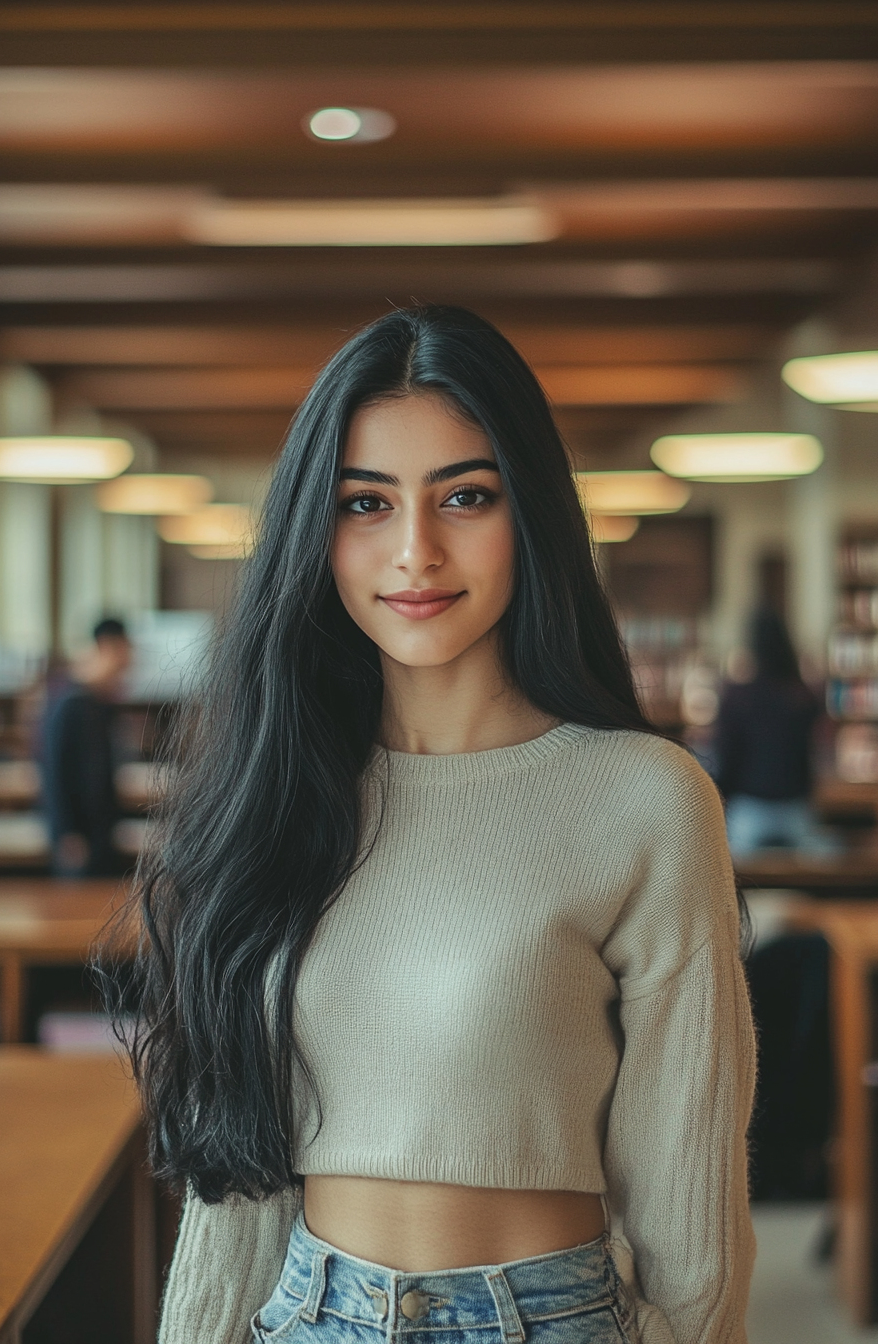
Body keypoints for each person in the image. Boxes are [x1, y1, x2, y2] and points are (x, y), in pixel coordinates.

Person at [105, 307, 755, 1344]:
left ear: (527, 513)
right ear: (314, 532)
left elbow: (687, 1187)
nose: (414, 551)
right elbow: (240, 1182)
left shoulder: (643, 798)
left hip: (547, 1319)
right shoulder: (273, 795)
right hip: (306, 1314)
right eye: (365, 503)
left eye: (462, 496)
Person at [714, 610, 827, 857]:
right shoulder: (803, 697)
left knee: (736, 878)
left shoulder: (737, 697)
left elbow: (727, 757)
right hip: (796, 806)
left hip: (750, 808)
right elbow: (814, 755)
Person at [42, 616, 132, 877]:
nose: (129, 660)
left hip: (100, 830)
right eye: (127, 649)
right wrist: (66, 833)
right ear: (107, 646)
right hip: (77, 837)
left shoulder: (99, 701)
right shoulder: (69, 702)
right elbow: (53, 772)